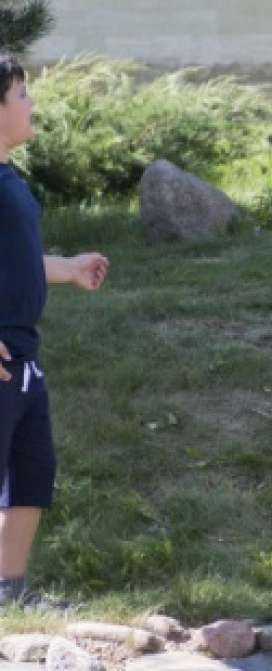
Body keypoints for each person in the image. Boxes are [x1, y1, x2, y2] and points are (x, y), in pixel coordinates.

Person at [0, 56, 109, 607]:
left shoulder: (9, 180)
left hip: (23, 354)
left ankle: (9, 593)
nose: (32, 103)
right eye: (22, 94)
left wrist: (67, 267)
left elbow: (16, 262)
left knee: (31, 475)